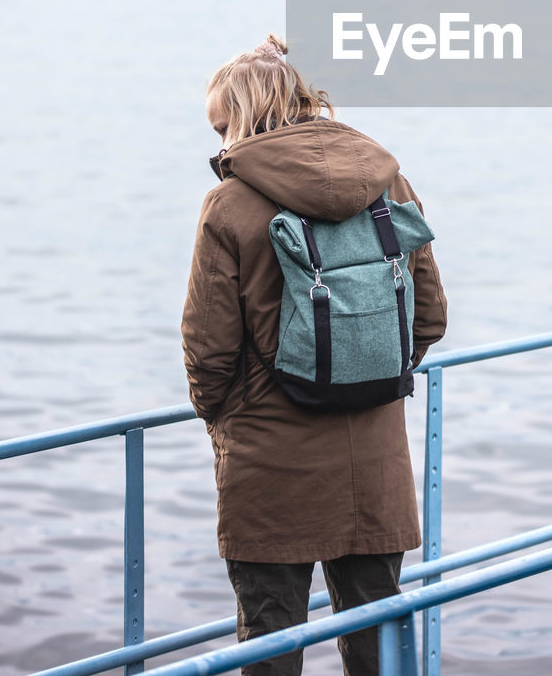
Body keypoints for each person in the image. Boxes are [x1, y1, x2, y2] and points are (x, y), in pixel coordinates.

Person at [181, 33, 448, 676]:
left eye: (222, 127)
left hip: (269, 458)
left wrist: (224, 417)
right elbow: (430, 316)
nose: (220, 146)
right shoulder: (389, 183)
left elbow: (208, 347)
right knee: (375, 622)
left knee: (272, 636)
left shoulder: (229, 202)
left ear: (245, 121)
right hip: (375, 456)